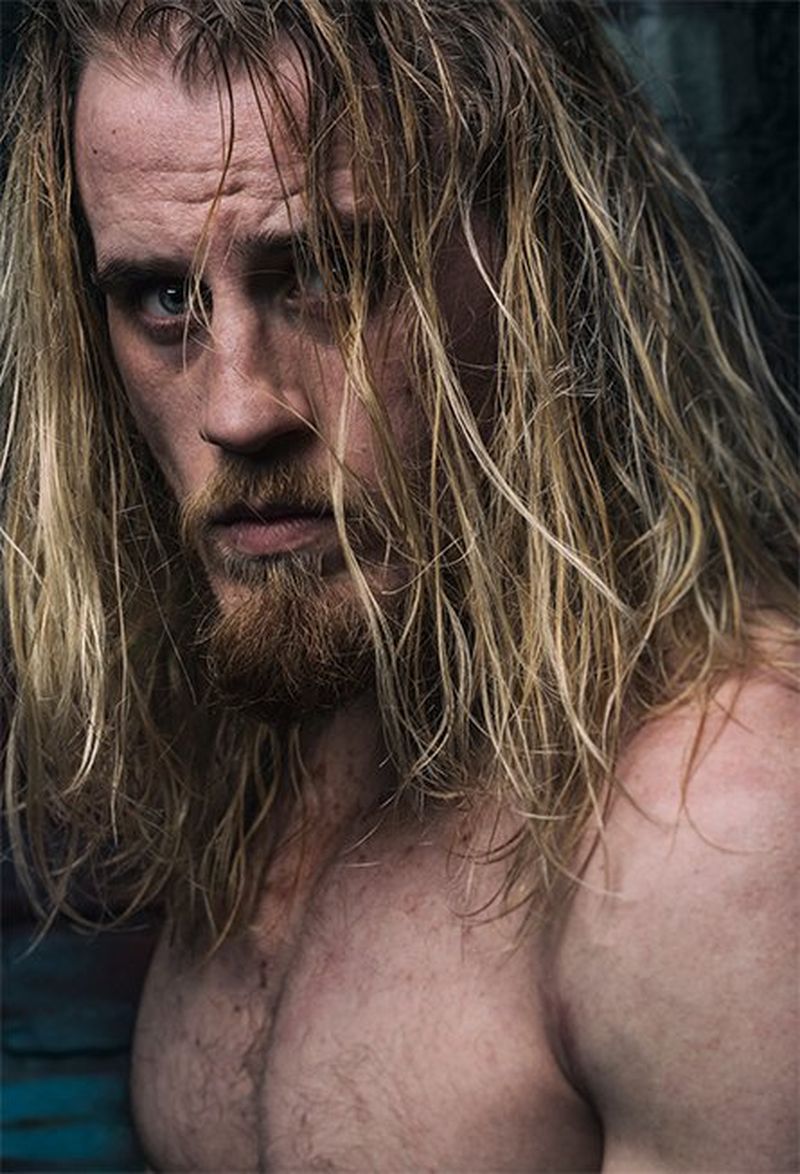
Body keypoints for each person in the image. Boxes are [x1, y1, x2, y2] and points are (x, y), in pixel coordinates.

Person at [1, 1, 797, 1170]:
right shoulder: (272, 726)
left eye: (322, 271)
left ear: (531, 262)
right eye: (164, 300)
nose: (236, 408)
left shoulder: (718, 828)